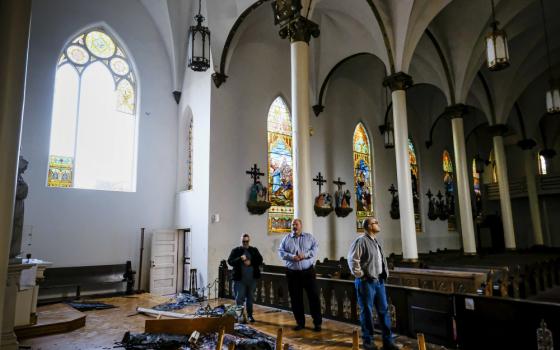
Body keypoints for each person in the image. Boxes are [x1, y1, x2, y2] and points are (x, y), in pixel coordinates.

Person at [347, 218, 398, 350]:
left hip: (379, 281)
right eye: (375, 222)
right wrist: (361, 275)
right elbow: (353, 260)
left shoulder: (376, 241)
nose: (378, 224)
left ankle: (388, 341)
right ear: (369, 226)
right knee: (367, 312)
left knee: (384, 311)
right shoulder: (361, 240)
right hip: (366, 282)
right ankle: (368, 341)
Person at [278, 218, 322, 331]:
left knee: (314, 297)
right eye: (293, 224)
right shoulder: (286, 239)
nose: (294, 226)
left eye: (296, 224)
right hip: (293, 274)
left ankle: (317, 323)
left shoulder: (309, 237)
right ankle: (300, 323)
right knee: (296, 299)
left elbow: (316, 248)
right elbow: (281, 252)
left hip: (308, 272)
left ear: (301, 226)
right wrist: (292, 257)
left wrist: (305, 255)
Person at [227, 233, 263, 323]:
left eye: (247, 241)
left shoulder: (254, 250)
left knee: (250, 299)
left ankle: (250, 315)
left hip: (252, 280)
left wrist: (250, 262)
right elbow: (230, 262)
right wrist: (240, 258)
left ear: (249, 241)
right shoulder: (236, 250)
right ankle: (239, 317)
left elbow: (260, 260)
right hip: (240, 280)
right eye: (244, 241)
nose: (245, 243)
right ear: (241, 241)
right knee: (239, 299)